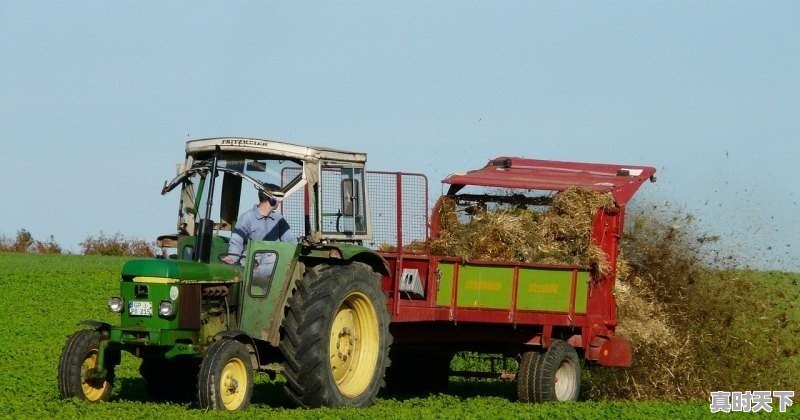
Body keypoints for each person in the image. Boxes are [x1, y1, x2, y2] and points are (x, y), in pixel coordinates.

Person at [223, 183, 296, 267]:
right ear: (268, 197)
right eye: (278, 197)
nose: (279, 201)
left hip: (272, 266)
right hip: (251, 266)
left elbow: (289, 239)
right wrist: (232, 257)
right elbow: (237, 240)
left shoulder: (279, 219)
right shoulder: (247, 217)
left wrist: (297, 244)